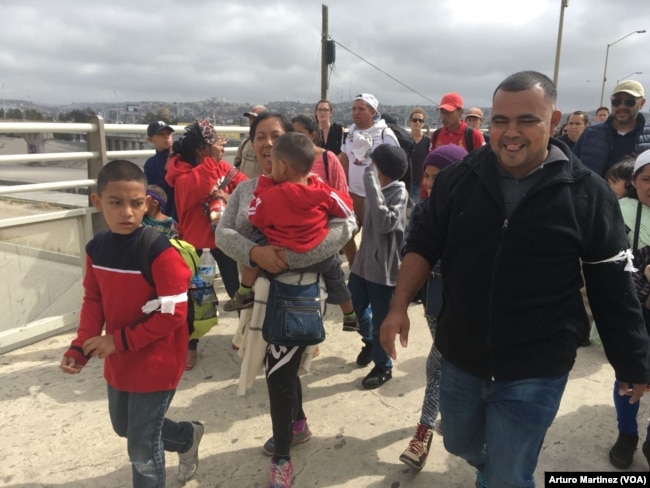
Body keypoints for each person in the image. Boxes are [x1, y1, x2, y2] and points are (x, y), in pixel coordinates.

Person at [380, 70, 650, 487]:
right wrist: (398, 307)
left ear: (554, 119)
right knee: (459, 443)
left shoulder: (587, 193)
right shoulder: (459, 179)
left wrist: (632, 361)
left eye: (528, 120)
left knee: (508, 474)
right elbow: (423, 240)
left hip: (537, 364)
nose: (511, 133)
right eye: (500, 121)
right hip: (461, 353)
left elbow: (611, 285)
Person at [215, 112, 356, 488]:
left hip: (295, 294)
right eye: (259, 137)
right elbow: (222, 234)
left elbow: (347, 225)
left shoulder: (315, 184)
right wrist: (257, 255)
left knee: (278, 376)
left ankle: (282, 455)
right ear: (251, 144)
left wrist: (290, 258)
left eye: (275, 136)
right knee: (281, 369)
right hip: (257, 294)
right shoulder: (246, 190)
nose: (267, 144)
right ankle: (298, 424)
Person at [60, 159, 204, 487]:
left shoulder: (158, 250)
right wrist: (81, 346)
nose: (127, 212)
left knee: (141, 445)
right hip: (121, 357)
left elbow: (174, 313)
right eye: (116, 203)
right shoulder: (97, 249)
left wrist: (118, 340)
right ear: (98, 202)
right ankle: (186, 437)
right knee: (125, 426)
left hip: (158, 359)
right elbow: (93, 300)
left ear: (147, 204)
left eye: (136, 204)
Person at [223, 131, 358, 332]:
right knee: (336, 274)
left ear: (283, 166)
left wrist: (263, 189)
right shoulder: (322, 192)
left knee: (254, 242)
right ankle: (349, 315)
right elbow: (347, 208)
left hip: (275, 256)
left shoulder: (271, 195)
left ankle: (243, 291)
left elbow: (255, 216)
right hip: (317, 255)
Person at [398, 144, 467, 471]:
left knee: (441, 364)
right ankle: (438, 420)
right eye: (425, 176)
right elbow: (409, 249)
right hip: (435, 301)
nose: (428, 184)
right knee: (445, 361)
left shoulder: (480, 213)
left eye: (437, 177)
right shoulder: (423, 210)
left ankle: (425, 431)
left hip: (471, 305)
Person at [165, 118, 247, 370]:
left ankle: (245, 335)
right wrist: (213, 161)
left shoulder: (221, 169)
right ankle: (191, 344)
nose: (222, 147)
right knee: (193, 297)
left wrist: (228, 195)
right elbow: (194, 187)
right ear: (202, 148)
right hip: (194, 246)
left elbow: (246, 189)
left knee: (240, 289)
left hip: (223, 242)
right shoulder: (182, 174)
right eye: (216, 143)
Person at [348, 144, 409, 389]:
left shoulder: (399, 193)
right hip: (362, 265)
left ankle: (383, 366)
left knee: (382, 319)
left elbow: (386, 223)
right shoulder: (376, 189)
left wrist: (371, 181)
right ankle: (371, 340)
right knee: (352, 306)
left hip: (383, 271)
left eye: (373, 165)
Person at [609, 150, 650, 470]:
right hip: (633, 309)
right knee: (628, 371)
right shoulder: (619, 211)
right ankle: (627, 434)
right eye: (647, 179)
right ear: (634, 182)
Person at [338, 93, 399, 265]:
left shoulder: (385, 134)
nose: (356, 112)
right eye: (354, 109)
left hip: (378, 197)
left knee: (377, 241)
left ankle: (375, 271)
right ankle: (354, 264)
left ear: (372, 111)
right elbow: (344, 158)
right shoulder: (349, 133)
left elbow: (396, 165)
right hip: (353, 195)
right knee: (344, 235)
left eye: (361, 109)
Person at [574, 80, 650, 177]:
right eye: (616, 102)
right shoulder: (590, 133)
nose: (622, 106)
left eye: (629, 102)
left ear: (642, 103)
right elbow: (572, 169)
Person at [291, 114, 349, 195]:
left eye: (299, 134)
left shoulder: (327, 158)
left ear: (312, 135)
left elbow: (342, 193)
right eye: (291, 134)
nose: (294, 138)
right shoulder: (287, 159)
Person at [143, 121, 176, 220]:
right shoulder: (151, 163)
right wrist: (166, 168)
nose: (166, 137)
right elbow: (155, 192)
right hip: (164, 215)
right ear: (150, 139)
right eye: (161, 134)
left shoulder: (181, 158)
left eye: (169, 134)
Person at [234, 104, 267, 178]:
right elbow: (237, 163)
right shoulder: (245, 143)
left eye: (255, 118)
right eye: (250, 118)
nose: (252, 121)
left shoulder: (270, 145)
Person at [408, 107, 430, 205]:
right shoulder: (405, 139)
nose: (417, 122)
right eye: (415, 120)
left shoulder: (428, 141)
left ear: (423, 123)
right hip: (405, 181)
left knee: (415, 210)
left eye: (420, 120)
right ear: (410, 122)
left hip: (420, 182)